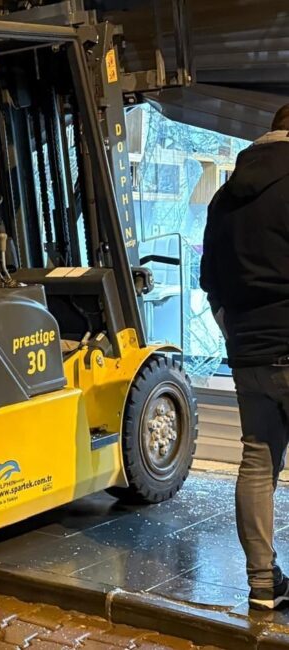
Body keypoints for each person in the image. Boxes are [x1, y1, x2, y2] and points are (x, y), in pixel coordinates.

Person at [200, 104, 289, 611]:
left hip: (249, 352)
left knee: (257, 462)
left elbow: (211, 281)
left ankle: (262, 583)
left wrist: (239, 334)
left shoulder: (223, 198)